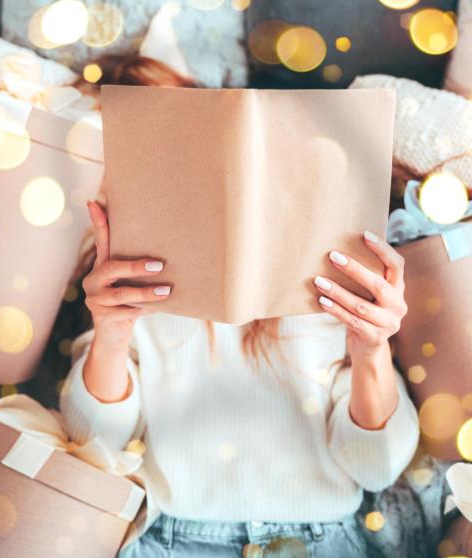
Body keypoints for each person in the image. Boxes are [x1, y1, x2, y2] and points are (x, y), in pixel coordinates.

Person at [61, 193, 420, 556]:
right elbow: (95, 442)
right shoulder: (141, 249)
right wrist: (111, 334)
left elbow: (376, 467)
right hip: (172, 541)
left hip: (322, 541)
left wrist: (371, 349)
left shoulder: (338, 249)